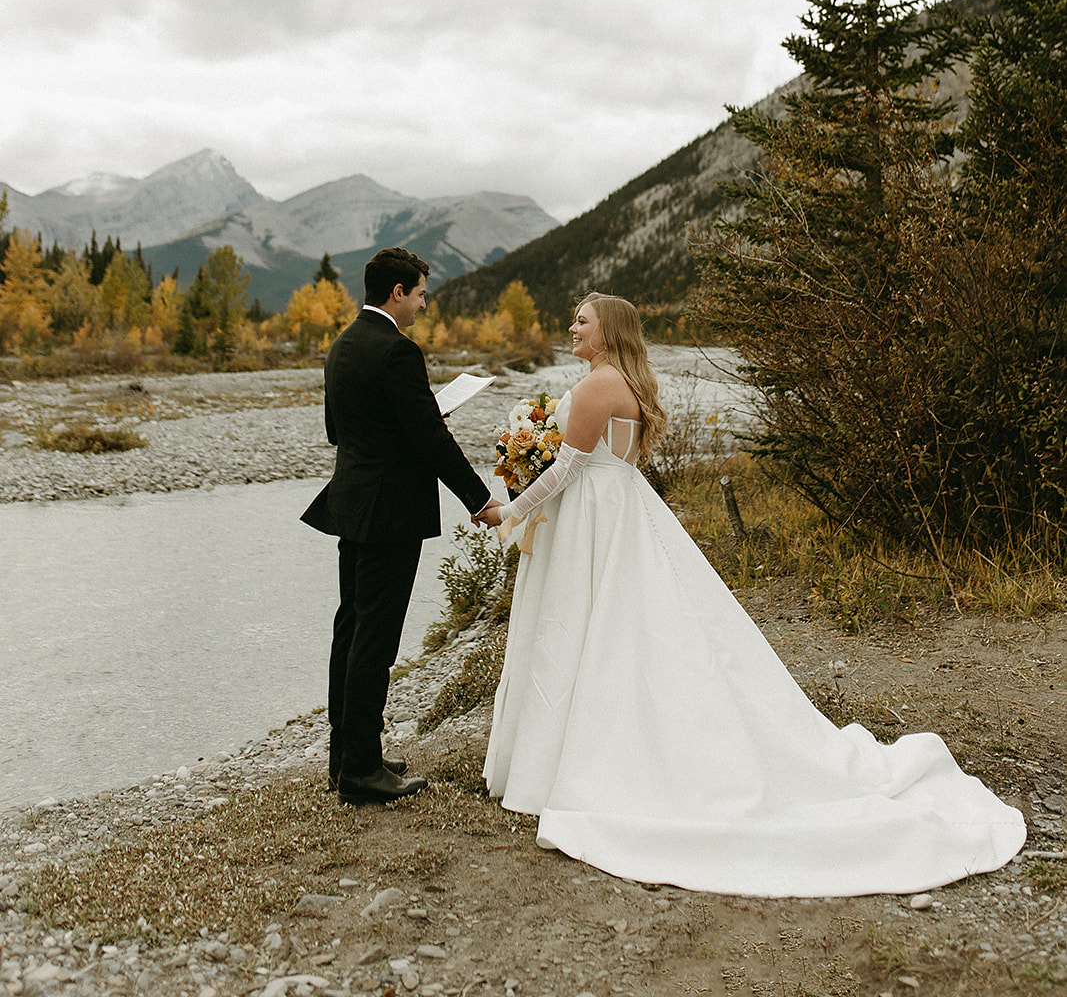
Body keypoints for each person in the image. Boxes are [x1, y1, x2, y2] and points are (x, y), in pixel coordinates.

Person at [479, 292, 1026, 897]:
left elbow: (565, 471)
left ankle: (579, 762)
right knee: (627, 630)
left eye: (582, 319)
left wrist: (509, 510)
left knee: (588, 629)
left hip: (594, 520)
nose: (572, 326)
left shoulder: (594, 387)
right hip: (619, 513)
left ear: (608, 332)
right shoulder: (618, 382)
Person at [301, 247, 501, 805]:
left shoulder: (342, 346)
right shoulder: (398, 352)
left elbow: (338, 431)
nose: (420, 304)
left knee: (351, 629)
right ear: (397, 292)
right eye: (418, 294)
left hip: (351, 504)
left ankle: (346, 757)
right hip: (390, 512)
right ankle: (363, 772)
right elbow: (430, 442)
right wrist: (479, 499)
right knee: (377, 637)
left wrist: (408, 419)